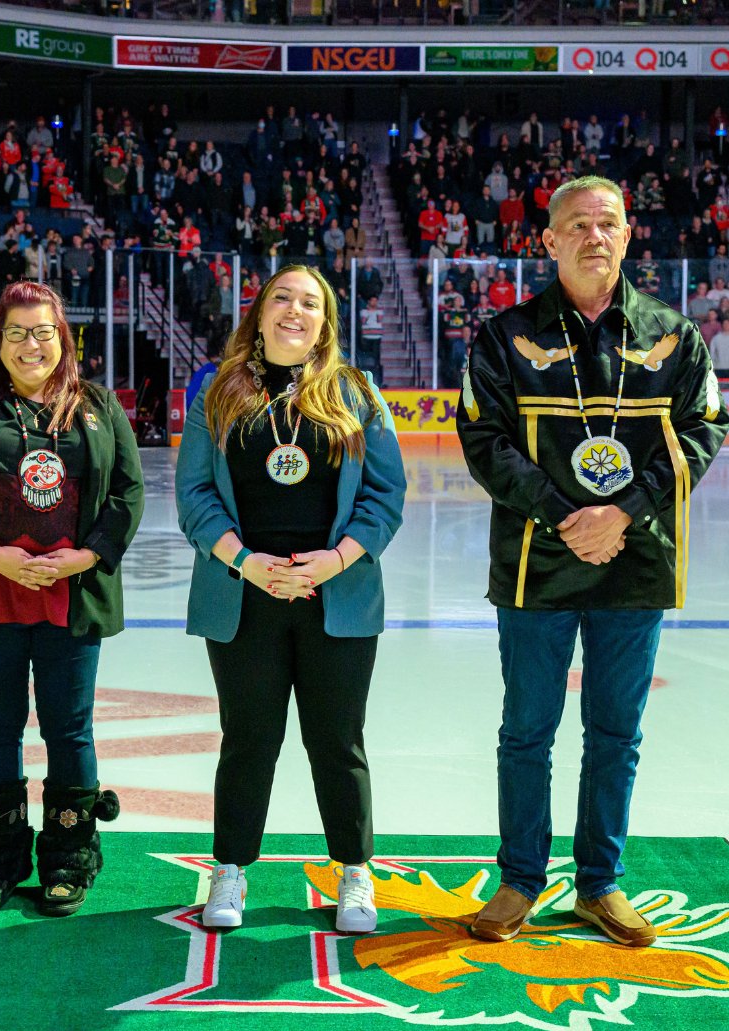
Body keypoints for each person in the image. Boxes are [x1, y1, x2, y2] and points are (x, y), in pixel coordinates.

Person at [457, 176, 729, 948]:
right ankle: (519, 881)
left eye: (607, 222)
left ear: (629, 235)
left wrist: (624, 513)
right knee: (527, 732)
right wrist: (564, 515)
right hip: (535, 566)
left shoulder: (675, 336)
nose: (594, 236)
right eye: (576, 224)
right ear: (547, 241)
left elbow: (705, 430)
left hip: (635, 561)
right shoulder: (503, 336)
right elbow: (485, 443)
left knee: (616, 733)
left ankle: (600, 884)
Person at [175, 265, 406, 933]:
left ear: (325, 322)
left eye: (311, 302)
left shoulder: (356, 394)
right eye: (283, 297)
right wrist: (246, 563)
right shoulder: (218, 394)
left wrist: (334, 561)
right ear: (260, 311)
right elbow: (194, 497)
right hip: (245, 594)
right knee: (248, 738)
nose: (295, 311)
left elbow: (385, 495)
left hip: (337, 597)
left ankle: (355, 870)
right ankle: (231, 868)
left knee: (338, 739)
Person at [0, 280, 144, 916]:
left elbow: (129, 493)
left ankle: (69, 861)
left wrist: (87, 556)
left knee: (70, 728)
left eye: (42, 330)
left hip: (68, 595)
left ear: (62, 336)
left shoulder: (97, 404)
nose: (30, 344)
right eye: (16, 332)